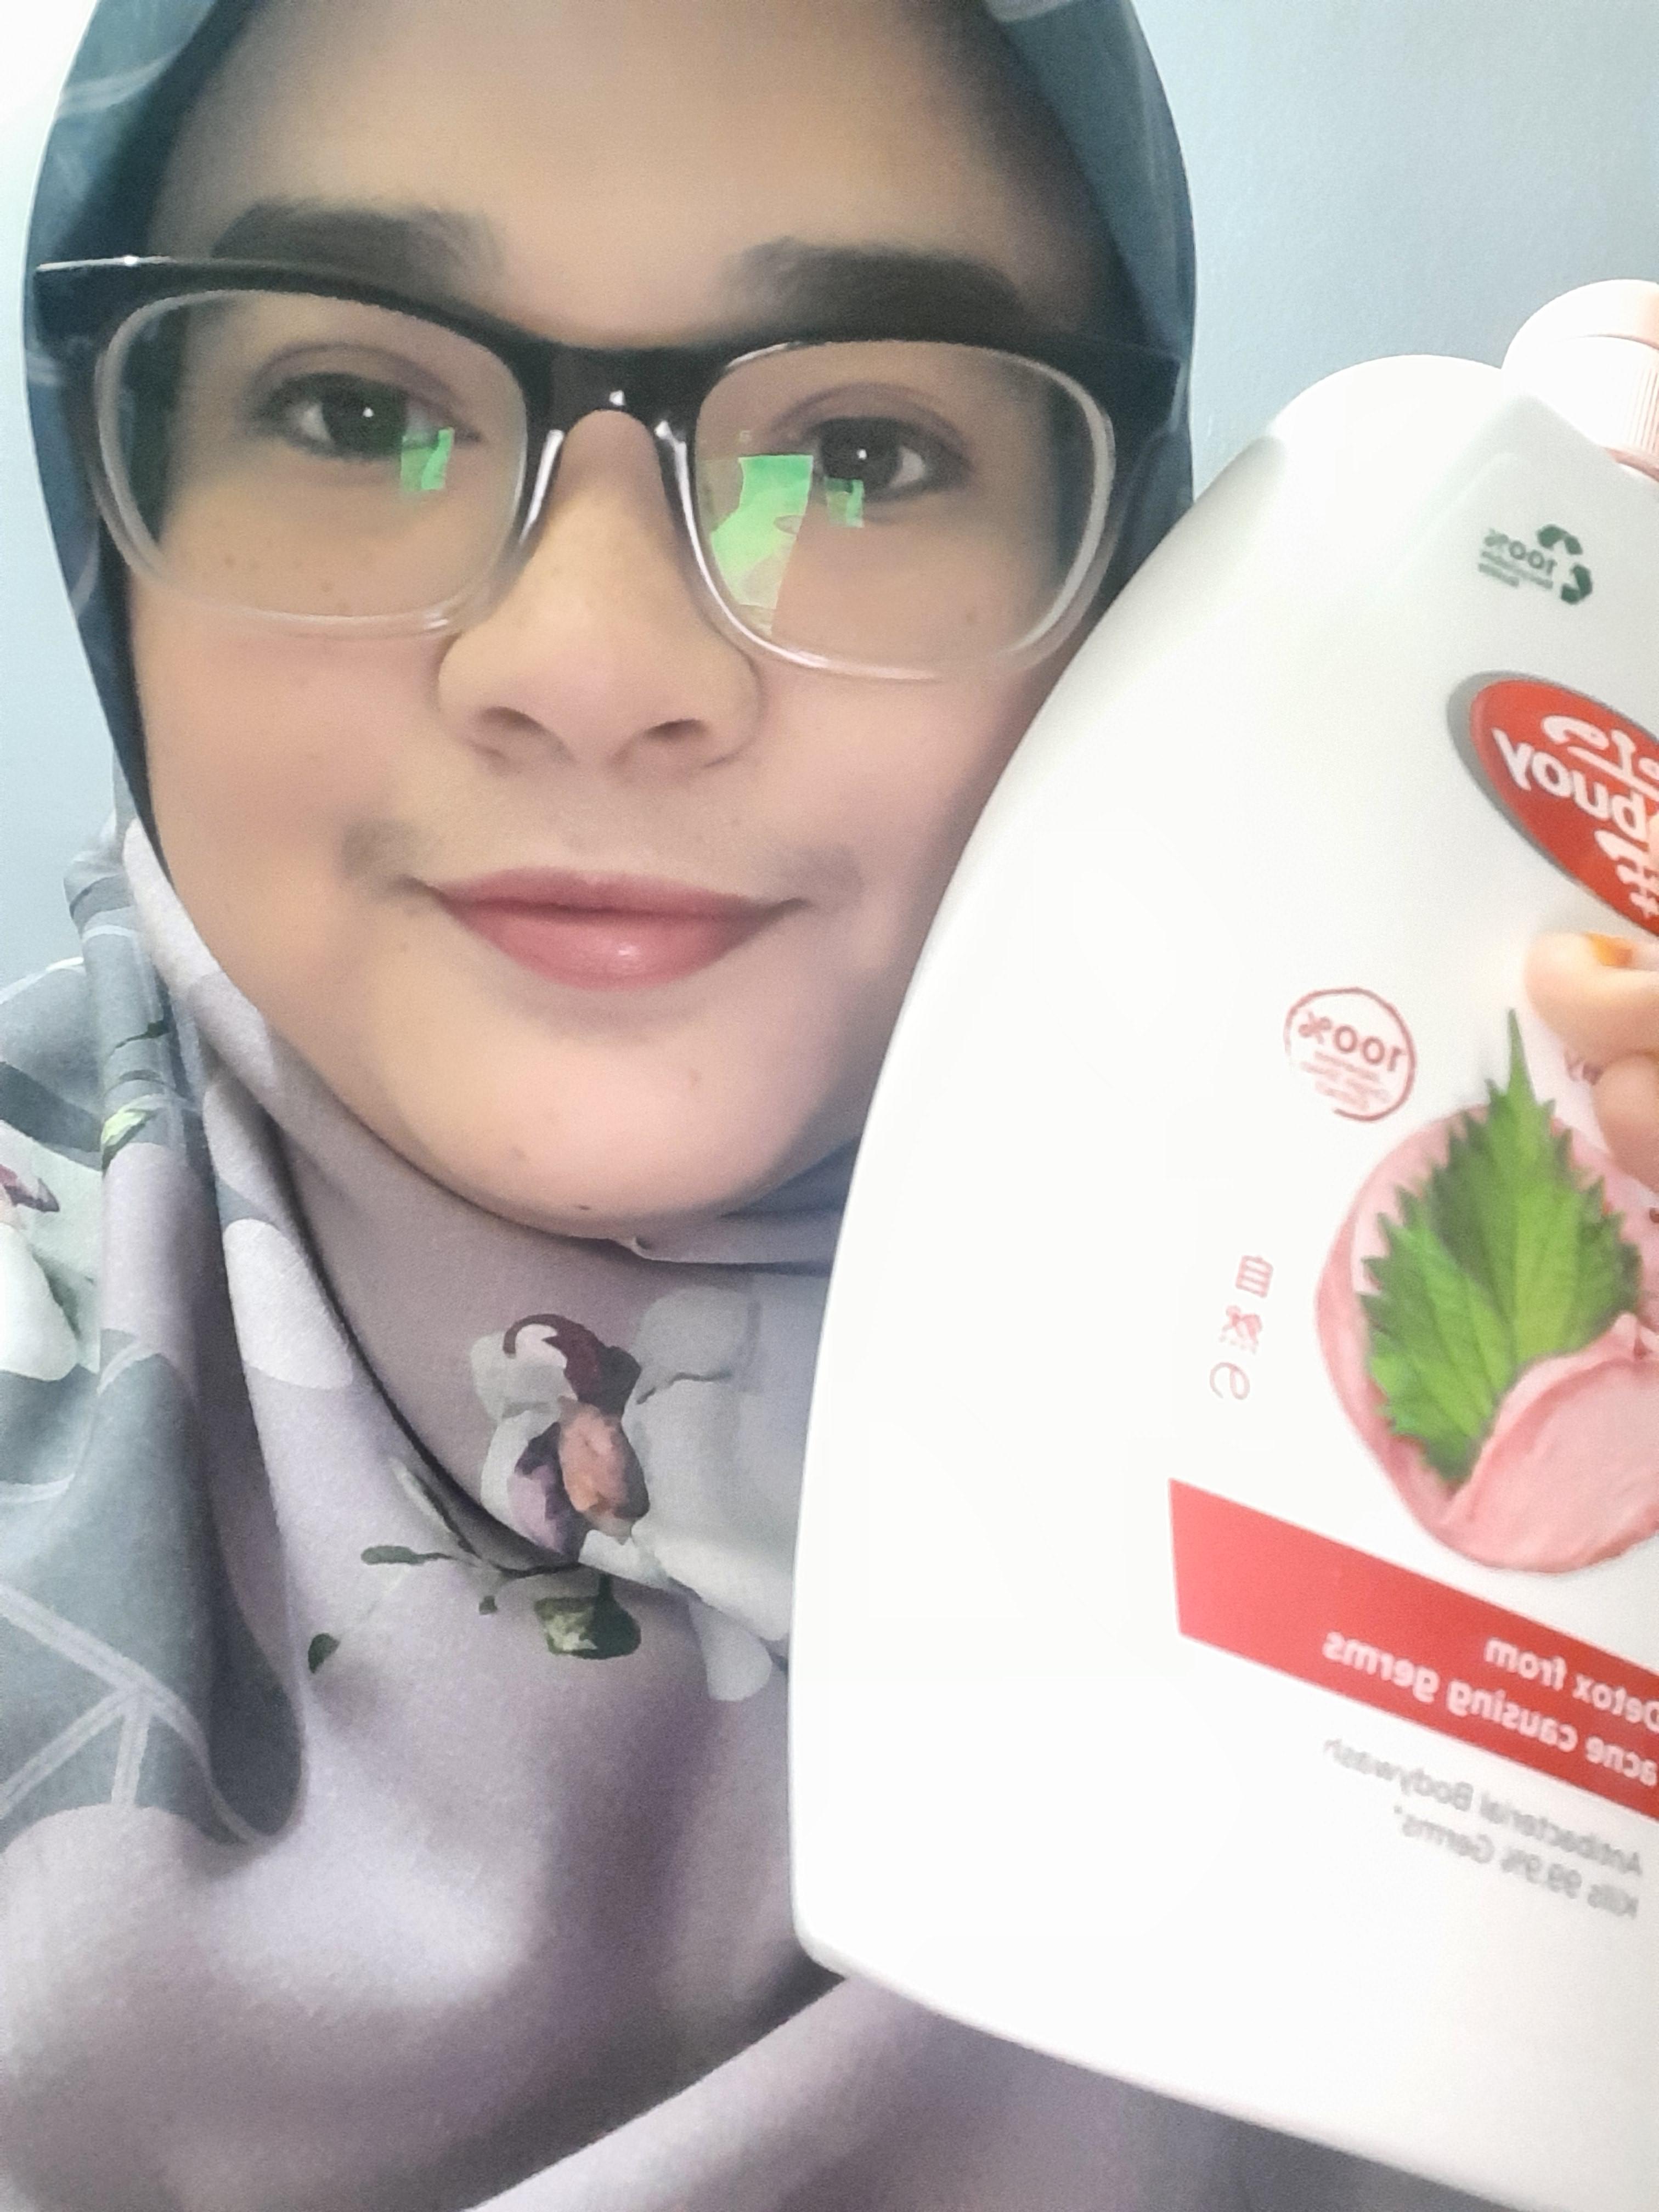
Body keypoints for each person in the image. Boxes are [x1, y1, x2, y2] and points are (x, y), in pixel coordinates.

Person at [0, 1, 1632, 2205]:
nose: (593, 668)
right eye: (357, 412)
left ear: (1123, 571)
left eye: (856, 455)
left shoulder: (1486, 1311)